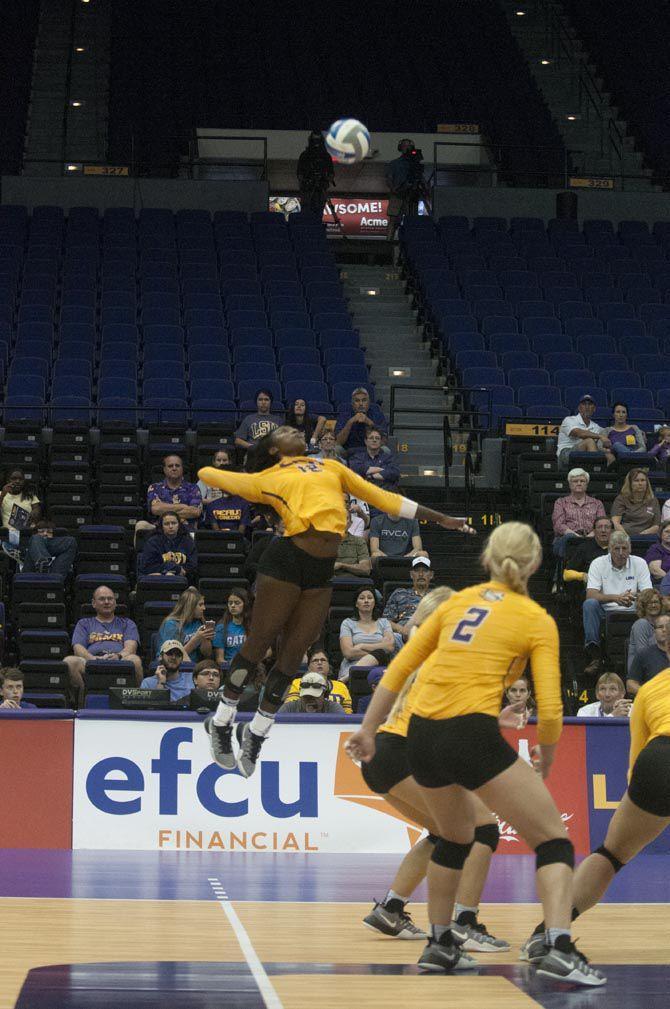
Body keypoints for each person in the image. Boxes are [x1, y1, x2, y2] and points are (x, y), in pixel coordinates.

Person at [346, 522, 604, 985]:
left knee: (454, 836)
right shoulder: (534, 618)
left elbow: (399, 666)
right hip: (469, 732)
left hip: (419, 734)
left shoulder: (457, 602)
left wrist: (367, 728)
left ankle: (441, 942)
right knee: (552, 841)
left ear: (485, 560)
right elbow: (549, 705)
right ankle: (559, 947)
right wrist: (547, 754)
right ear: (536, 565)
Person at [198, 424, 474, 778]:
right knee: (259, 643)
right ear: (273, 448)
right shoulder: (268, 476)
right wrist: (255, 479)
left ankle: (257, 731)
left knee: (295, 654)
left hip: (320, 567)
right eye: (282, 431)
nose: (292, 430)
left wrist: (440, 519)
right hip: (284, 559)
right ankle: (221, 723)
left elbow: (383, 498)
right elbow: (207, 473)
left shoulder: (331, 466)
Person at [359, 586, 512, 951]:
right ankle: (463, 922)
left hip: (381, 755)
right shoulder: (447, 652)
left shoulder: (419, 650)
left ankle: (391, 909)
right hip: (405, 751)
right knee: (484, 830)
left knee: (444, 834)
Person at [521, 665, 670, 966]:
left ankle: (546, 934)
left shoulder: (652, 688)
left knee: (611, 854)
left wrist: (643, 796)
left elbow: (637, 758)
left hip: (658, 760)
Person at [583, 529, 652, 675]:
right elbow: (591, 594)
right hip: (605, 610)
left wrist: (631, 596)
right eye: (616, 548)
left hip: (634, 608)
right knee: (589, 605)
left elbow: (648, 594)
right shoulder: (598, 563)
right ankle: (594, 655)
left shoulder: (640, 563)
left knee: (652, 605)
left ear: (630, 549)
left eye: (624, 548)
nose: (621, 553)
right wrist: (616, 598)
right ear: (609, 549)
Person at [64, 586, 142, 698]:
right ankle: (81, 703)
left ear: (115, 603)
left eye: (110, 599)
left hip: (119, 661)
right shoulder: (84, 623)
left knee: (135, 660)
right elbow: (78, 648)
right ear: (93, 603)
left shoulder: (127, 623)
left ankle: (135, 704)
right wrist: (93, 659)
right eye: (102, 599)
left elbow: (131, 648)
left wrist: (118, 656)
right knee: (69, 661)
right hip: (91, 661)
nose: (106, 602)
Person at [135, 454, 202, 540]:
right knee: (140, 525)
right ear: (164, 470)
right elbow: (156, 509)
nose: (174, 468)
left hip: (186, 529)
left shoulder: (193, 488)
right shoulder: (155, 487)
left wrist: (165, 509)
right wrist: (182, 506)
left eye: (177, 465)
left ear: (182, 469)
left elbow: (195, 511)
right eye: (170, 466)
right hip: (159, 529)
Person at [339, 587, 396, 682]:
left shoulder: (384, 622)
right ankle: (348, 676)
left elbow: (390, 647)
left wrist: (362, 645)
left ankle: (346, 678)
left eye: (370, 598)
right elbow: (348, 653)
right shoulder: (347, 623)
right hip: (352, 665)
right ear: (356, 604)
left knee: (381, 654)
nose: (366, 601)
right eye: (362, 598)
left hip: (379, 669)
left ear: (374, 602)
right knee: (381, 653)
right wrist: (378, 653)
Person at [551, 468, 606, 559]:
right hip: (568, 540)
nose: (579, 483)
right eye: (575, 481)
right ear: (569, 484)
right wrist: (577, 537)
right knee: (570, 539)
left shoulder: (597, 503)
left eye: (582, 481)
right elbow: (558, 525)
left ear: (587, 484)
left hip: (592, 538)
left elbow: (602, 524)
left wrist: (589, 537)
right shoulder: (560, 502)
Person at [383, 557, 435, 650]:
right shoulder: (399, 593)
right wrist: (402, 630)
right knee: (391, 638)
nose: (421, 574)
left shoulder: (438, 596)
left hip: (431, 635)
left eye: (425, 571)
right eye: (417, 571)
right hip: (403, 637)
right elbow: (385, 621)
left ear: (431, 575)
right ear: (411, 574)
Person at [284, 648, 353, 713]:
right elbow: (292, 707)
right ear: (308, 667)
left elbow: (347, 715)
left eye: (323, 660)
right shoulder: (299, 682)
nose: (319, 663)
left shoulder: (341, 686)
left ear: (328, 665)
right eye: (315, 660)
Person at [155, 587, 214, 663]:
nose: (204, 608)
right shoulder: (171, 625)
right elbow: (173, 659)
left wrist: (206, 639)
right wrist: (195, 641)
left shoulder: (198, 623)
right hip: (171, 667)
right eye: (200, 605)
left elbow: (207, 654)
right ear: (190, 606)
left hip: (195, 668)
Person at [385, 138, 427, 241]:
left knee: (412, 220)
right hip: (397, 194)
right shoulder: (394, 163)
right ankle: (388, 241)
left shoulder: (415, 164)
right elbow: (389, 178)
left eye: (409, 146)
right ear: (400, 148)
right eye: (404, 146)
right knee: (393, 220)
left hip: (412, 195)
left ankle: (411, 242)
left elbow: (420, 177)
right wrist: (393, 189)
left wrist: (425, 188)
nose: (407, 148)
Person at [137, 512, 198, 580]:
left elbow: (193, 565)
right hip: (158, 577)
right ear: (161, 526)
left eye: (174, 523)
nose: (171, 526)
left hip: (182, 579)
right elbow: (147, 566)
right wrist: (172, 569)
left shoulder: (188, 541)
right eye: (166, 524)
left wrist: (180, 571)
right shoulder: (152, 542)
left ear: (179, 525)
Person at [556, 394, 611, 468]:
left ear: (594, 409)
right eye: (584, 404)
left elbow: (608, 433)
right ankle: (595, 473)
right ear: (579, 408)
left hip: (586, 457)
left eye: (590, 404)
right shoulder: (569, 420)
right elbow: (579, 433)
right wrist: (600, 436)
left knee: (609, 455)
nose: (587, 407)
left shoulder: (596, 427)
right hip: (566, 454)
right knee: (589, 441)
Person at [627, 614, 670, 696]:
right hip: (653, 702)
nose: (664, 630)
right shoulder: (643, 654)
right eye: (660, 627)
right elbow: (630, 685)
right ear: (654, 631)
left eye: (668, 627)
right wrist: (650, 694)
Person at [562, 516, 612, 585]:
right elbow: (566, 574)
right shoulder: (584, 548)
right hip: (592, 587)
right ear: (594, 531)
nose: (603, 530)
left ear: (612, 531)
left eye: (607, 527)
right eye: (599, 527)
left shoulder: (619, 548)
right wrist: (583, 576)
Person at [611, 468, 660, 538]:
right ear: (630, 483)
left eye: (643, 480)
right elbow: (616, 523)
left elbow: (656, 526)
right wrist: (627, 538)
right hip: (624, 536)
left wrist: (640, 536)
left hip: (646, 538)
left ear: (647, 483)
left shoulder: (653, 500)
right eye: (636, 480)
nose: (640, 483)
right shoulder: (621, 499)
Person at [628, 589, 666, 677]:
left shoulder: (664, 624)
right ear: (643, 605)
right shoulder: (641, 624)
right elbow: (643, 656)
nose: (653, 605)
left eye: (656, 602)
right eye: (649, 602)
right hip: (642, 674)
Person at [297, 129, 335, 217]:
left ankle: (317, 225)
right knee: (306, 211)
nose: (316, 143)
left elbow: (331, 173)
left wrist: (326, 177)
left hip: (320, 189)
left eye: (318, 140)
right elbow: (299, 174)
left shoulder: (326, 156)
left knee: (318, 211)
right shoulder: (305, 155)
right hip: (308, 189)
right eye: (314, 140)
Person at [333, 499, 371, 577]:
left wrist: (342, 565)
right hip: (331, 582)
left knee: (367, 590)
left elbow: (366, 569)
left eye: (346, 518)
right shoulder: (326, 541)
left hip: (355, 582)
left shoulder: (359, 541)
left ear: (350, 523)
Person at [213, 589, 252, 665]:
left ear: (245, 604)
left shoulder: (253, 626)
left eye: (237, 603)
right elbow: (219, 659)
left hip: (251, 666)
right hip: (229, 668)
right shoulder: (221, 628)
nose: (233, 606)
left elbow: (268, 651)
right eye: (230, 603)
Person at [278, 671, 345, 714]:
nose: (310, 700)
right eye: (306, 696)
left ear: (325, 694)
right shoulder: (288, 709)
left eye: (314, 696)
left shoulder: (334, 710)